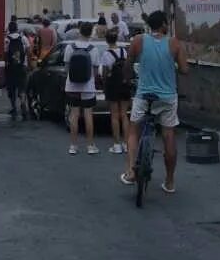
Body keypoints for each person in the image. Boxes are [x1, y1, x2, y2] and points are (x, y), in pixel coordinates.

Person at [122, 10, 188, 195]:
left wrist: (126, 79)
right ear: (163, 25)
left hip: (144, 95)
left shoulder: (138, 41)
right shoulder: (175, 44)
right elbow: (184, 69)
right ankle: (169, 181)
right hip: (167, 97)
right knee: (168, 135)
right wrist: (174, 63)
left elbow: (128, 63)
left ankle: (131, 171)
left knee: (134, 130)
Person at [65, 21, 100, 154]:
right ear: (91, 33)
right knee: (88, 115)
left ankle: (73, 146)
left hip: (72, 86)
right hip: (88, 86)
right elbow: (96, 70)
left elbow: (67, 68)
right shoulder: (93, 49)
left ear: (79, 31)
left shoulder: (70, 47)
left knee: (74, 115)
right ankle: (90, 145)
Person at [100, 27, 132, 169]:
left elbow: (105, 73)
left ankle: (116, 144)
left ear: (107, 40)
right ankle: (126, 143)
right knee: (124, 115)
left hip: (112, 86)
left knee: (114, 115)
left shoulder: (106, 54)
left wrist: (104, 83)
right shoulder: (123, 51)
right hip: (124, 85)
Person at [4, 21, 30, 120]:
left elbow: (5, 53)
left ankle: (13, 107)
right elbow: (28, 51)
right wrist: (28, 63)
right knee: (22, 87)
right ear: (17, 28)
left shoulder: (6, 40)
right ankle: (23, 103)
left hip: (11, 67)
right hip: (22, 66)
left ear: (9, 29)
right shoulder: (23, 38)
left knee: (12, 88)